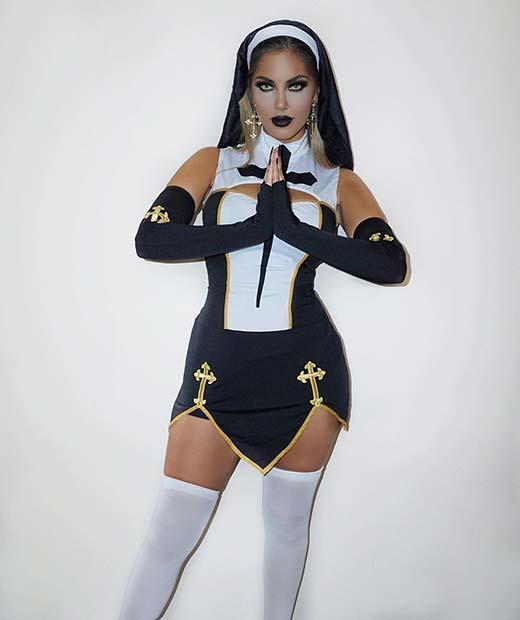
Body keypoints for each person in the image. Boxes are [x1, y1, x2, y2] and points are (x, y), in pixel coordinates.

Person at [118, 18, 408, 620]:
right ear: (247, 91)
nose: (280, 102)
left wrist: (296, 229)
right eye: (265, 85)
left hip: (307, 374)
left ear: (317, 92)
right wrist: (255, 227)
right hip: (216, 370)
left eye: (296, 85)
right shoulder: (212, 162)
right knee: (170, 530)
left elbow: (389, 263)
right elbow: (151, 240)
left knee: (286, 530)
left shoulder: (338, 181)